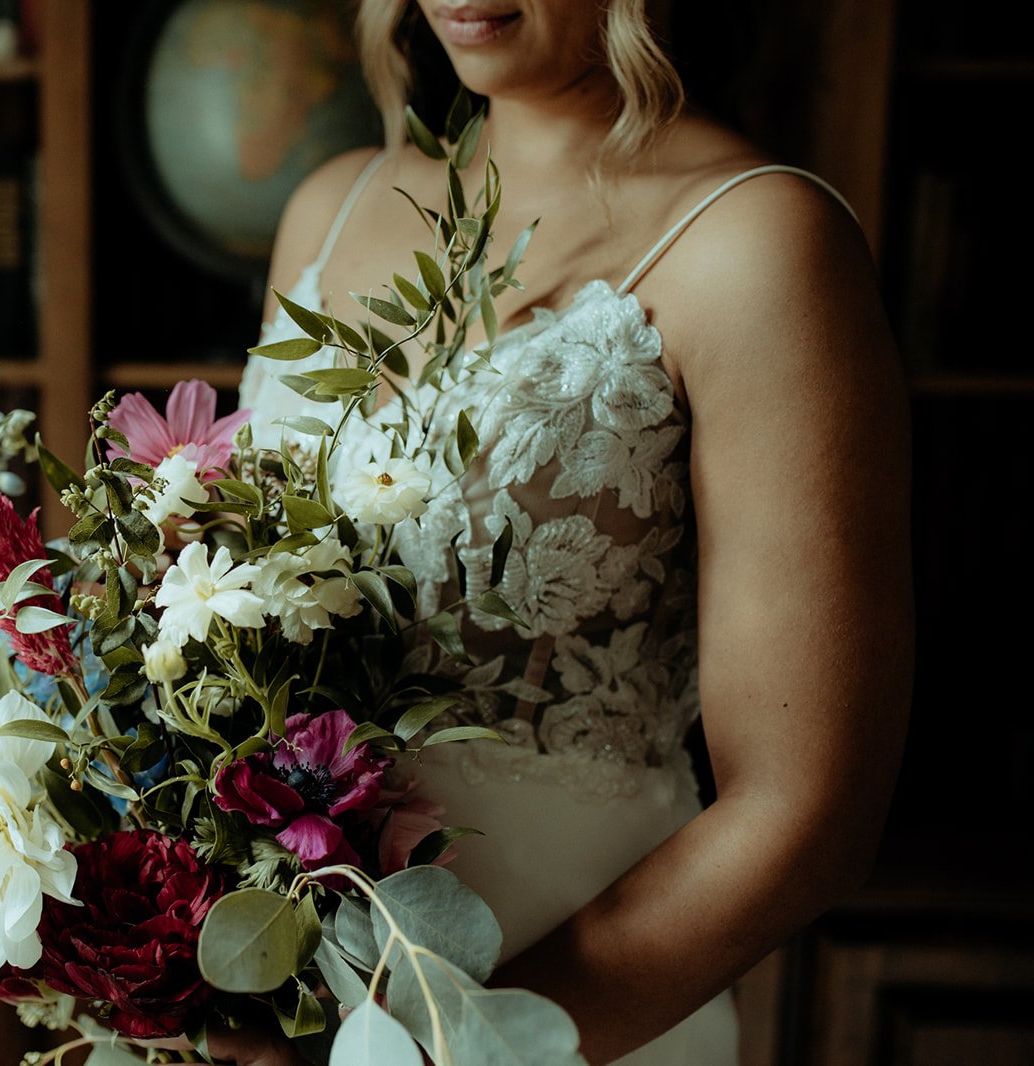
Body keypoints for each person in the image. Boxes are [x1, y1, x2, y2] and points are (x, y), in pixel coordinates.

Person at [225, 1, 914, 1063]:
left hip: (572, 1017)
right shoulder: (331, 205)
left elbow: (807, 812)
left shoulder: (756, 243)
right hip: (273, 1003)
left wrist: (433, 1050)